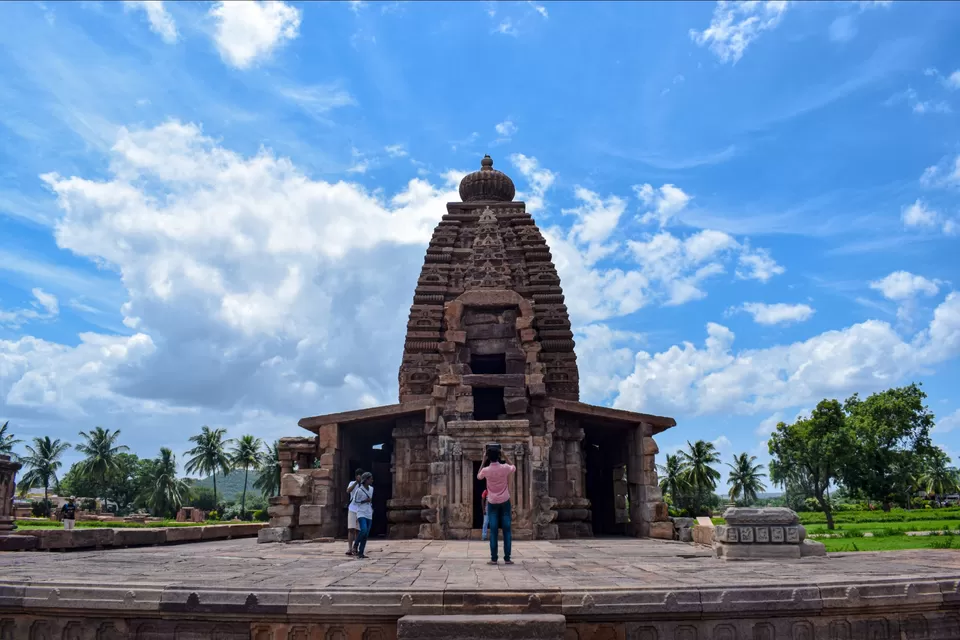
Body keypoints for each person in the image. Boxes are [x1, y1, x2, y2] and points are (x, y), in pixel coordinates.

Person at [477, 447, 516, 565]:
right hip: (505, 501)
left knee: (493, 530)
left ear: (488, 457)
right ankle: (507, 558)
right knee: (507, 530)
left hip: (492, 502)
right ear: (499, 456)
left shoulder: (486, 470)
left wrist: (483, 460)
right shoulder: (504, 468)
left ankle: (494, 559)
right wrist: (505, 456)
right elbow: (514, 467)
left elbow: (479, 476)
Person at [351, 472, 374, 559]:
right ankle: (356, 544)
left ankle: (361, 552)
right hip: (361, 512)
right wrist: (365, 501)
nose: (372, 480)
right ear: (366, 480)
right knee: (363, 530)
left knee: (366, 534)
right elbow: (355, 501)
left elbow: (370, 500)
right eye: (370, 479)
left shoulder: (371, 489)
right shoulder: (359, 490)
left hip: (369, 512)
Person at [345, 468, 364, 556]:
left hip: (361, 509)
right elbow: (348, 490)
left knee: (358, 530)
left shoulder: (365, 486)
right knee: (351, 529)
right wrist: (356, 482)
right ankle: (349, 548)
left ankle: (355, 548)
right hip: (352, 508)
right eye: (358, 475)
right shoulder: (352, 483)